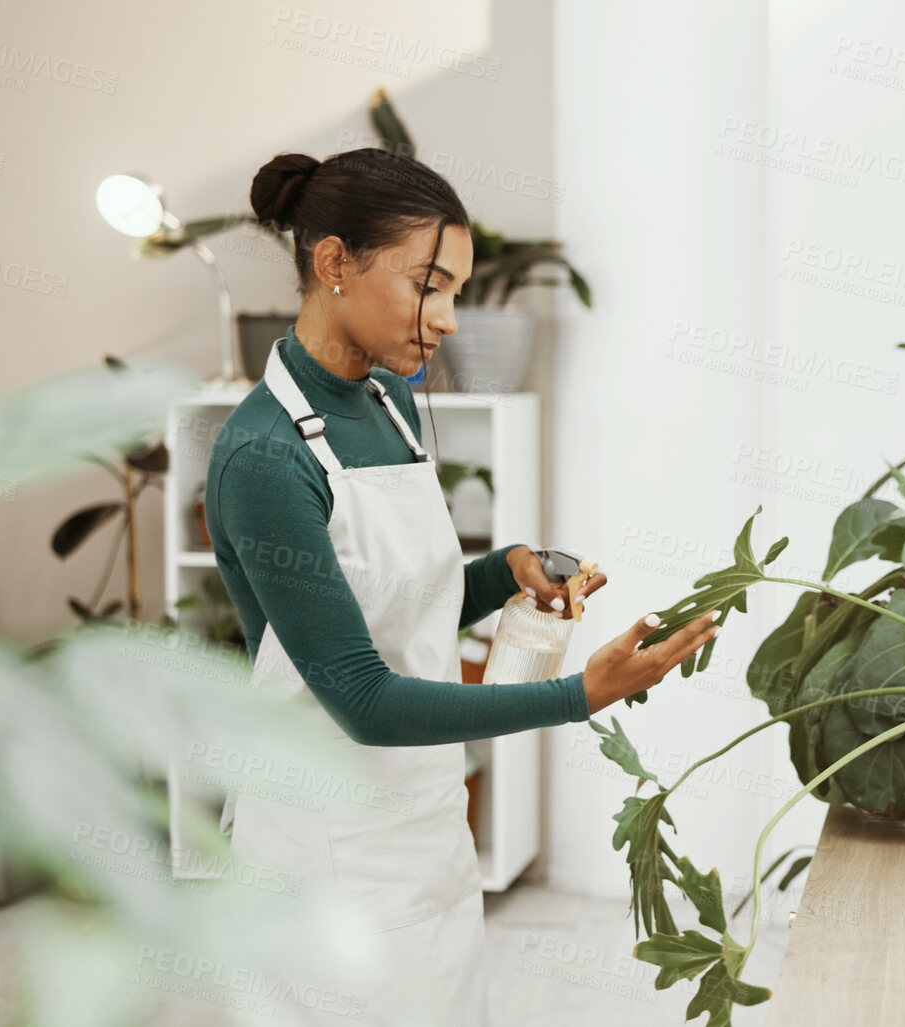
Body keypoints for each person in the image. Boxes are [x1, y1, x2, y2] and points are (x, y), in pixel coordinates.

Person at [202, 147, 715, 1025]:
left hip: (420, 823)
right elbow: (361, 695)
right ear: (333, 264)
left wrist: (505, 566)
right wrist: (578, 693)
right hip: (324, 850)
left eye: (455, 291)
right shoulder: (265, 456)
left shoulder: (391, 407)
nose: (445, 318)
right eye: (426, 285)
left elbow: (404, 596)